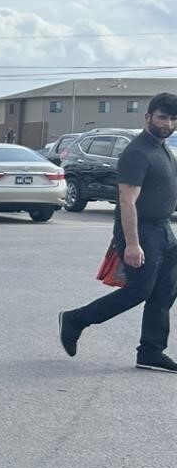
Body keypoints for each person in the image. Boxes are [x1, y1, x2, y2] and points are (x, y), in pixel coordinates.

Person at [59, 91, 177, 372]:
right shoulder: (137, 152)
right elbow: (127, 201)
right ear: (148, 117)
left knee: (165, 291)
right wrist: (133, 244)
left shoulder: (163, 149)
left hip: (163, 228)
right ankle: (75, 319)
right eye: (163, 117)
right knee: (138, 291)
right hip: (141, 230)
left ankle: (150, 352)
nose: (168, 124)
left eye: (173, 119)